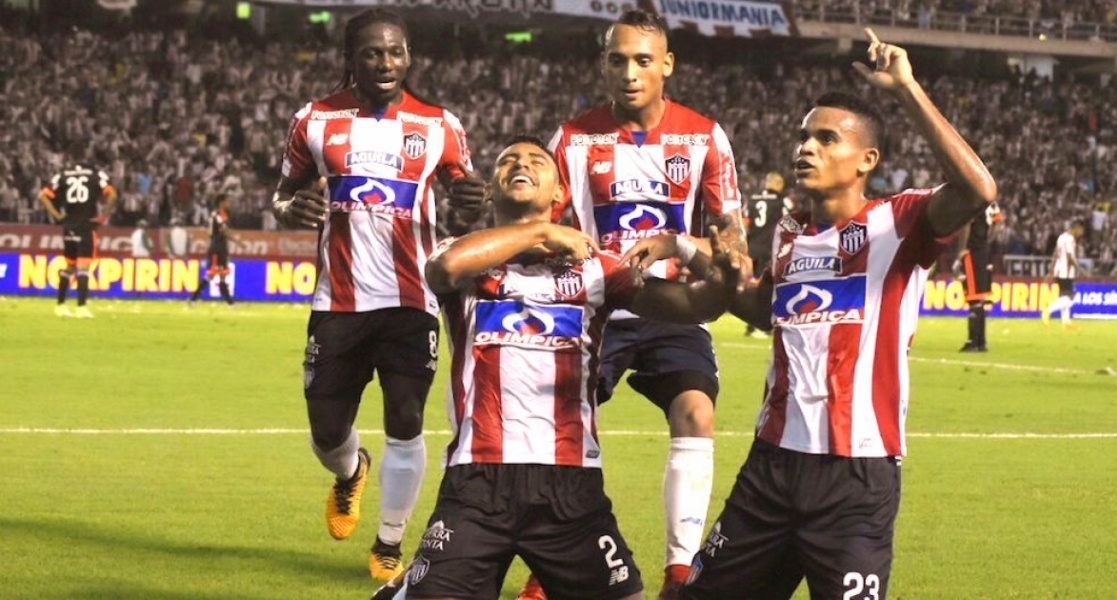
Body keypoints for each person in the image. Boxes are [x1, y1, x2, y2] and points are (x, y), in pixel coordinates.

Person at [674, 30, 997, 600]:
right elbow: (764, 306)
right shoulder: (789, 231)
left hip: (857, 475)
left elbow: (977, 188)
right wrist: (704, 262)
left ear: (866, 160)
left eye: (826, 139)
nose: (807, 148)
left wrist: (906, 89)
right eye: (804, 137)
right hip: (771, 466)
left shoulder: (901, 221)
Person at [370, 135, 740, 600]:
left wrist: (707, 266)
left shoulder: (598, 271)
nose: (521, 164)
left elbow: (689, 307)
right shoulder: (464, 256)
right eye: (508, 160)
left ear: (559, 194)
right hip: (479, 480)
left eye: (536, 160)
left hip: (571, 486)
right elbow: (443, 269)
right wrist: (544, 232)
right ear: (492, 190)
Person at [531, 11, 749, 598]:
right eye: (617, 59)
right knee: (558, 428)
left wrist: (687, 246)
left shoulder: (703, 136)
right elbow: (543, 229)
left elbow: (731, 240)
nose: (629, 72)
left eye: (643, 60)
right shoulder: (573, 139)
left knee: (696, 412)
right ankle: (544, 564)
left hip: (672, 307)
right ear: (604, 63)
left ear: (667, 65)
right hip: (592, 309)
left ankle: (680, 571)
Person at [270, 8, 486, 582]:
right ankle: (350, 473)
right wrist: (295, 209)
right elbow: (282, 195)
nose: (386, 63)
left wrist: (472, 205)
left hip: (412, 298)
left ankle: (391, 541)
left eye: (395, 52)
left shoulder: (439, 125)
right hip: (337, 302)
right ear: (351, 59)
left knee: (408, 417)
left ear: (409, 56)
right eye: (372, 53)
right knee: (325, 429)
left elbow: (467, 196)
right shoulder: (313, 119)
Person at [37, 163, 118, 318]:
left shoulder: (62, 175)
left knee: (70, 266)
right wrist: (103, 216)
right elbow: (112, 195)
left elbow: (42, 196)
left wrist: (57, 215)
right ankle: (81, 307)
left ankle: (60, 306)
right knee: (83, 267)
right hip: (86, 225)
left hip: (69, 225)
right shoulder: (95, 174)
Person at [743, 171, 793, 338]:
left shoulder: (752, 199)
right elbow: (790, 224)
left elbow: (745, 224)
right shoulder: (781, 202)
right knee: (768, 287)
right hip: (770, 248)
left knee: (753, 286)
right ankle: (763, 326)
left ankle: (751, 326)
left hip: (752, 248)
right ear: (778, 185)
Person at [954, 202, 1001, 352]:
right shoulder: (992, 203)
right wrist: (986, 242)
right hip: (984, 253)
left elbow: (967, 225)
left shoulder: (973, 201)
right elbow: (997, 224)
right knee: (980, 299)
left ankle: (972, 342)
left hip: (972, 253)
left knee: (973, 298)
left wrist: (962, 250)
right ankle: (981, 342)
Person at [188, 194, 239, 306]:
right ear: (221, 203)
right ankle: (193, 299)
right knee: (211, 274)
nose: (229, 204)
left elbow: (212, 231)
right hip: (217, 248)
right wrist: (237, 242)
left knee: (222, 275)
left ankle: (230, 303)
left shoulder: (215, 214)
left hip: (219, 247)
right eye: (227, 202)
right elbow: (224, 231)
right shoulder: (219, 214)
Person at [1041, 221, 1085, 328]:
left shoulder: (1061, 237)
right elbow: (1070, 257)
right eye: (1080, 230)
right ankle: (1047, 310)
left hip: (1058, 270)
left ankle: (1066, 322)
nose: (1081, 233)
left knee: (1065, 295)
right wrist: (1080, 269)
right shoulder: (1070, 239)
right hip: (1066, 272)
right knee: (1070, 297)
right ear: (1075, 228)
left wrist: (1051, 270)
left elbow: (1055, 254)